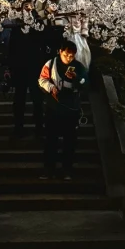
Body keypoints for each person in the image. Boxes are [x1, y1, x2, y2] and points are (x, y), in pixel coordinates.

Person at [39, 38, 90, 179]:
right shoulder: (50, 64)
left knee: (70, 141)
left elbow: (85, 82)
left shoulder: (78, 67)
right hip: (53, 107)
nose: (69, 58)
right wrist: (51, 88)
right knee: (51, 140)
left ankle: (67, 170)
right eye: (66, 55)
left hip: (71, 108)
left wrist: (76, 79)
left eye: (72, 55)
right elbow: (42, 79)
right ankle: (49, 169)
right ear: (60, 52)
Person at [3, 13, 48, 138]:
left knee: (37, 100)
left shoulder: (37, 30)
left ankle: (39, 127)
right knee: (19, 100)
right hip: (20, 70)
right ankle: (18, 127)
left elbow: (43, 46)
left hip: (35, 69)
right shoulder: (16, 31)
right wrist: (9, 68)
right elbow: (11, 51)